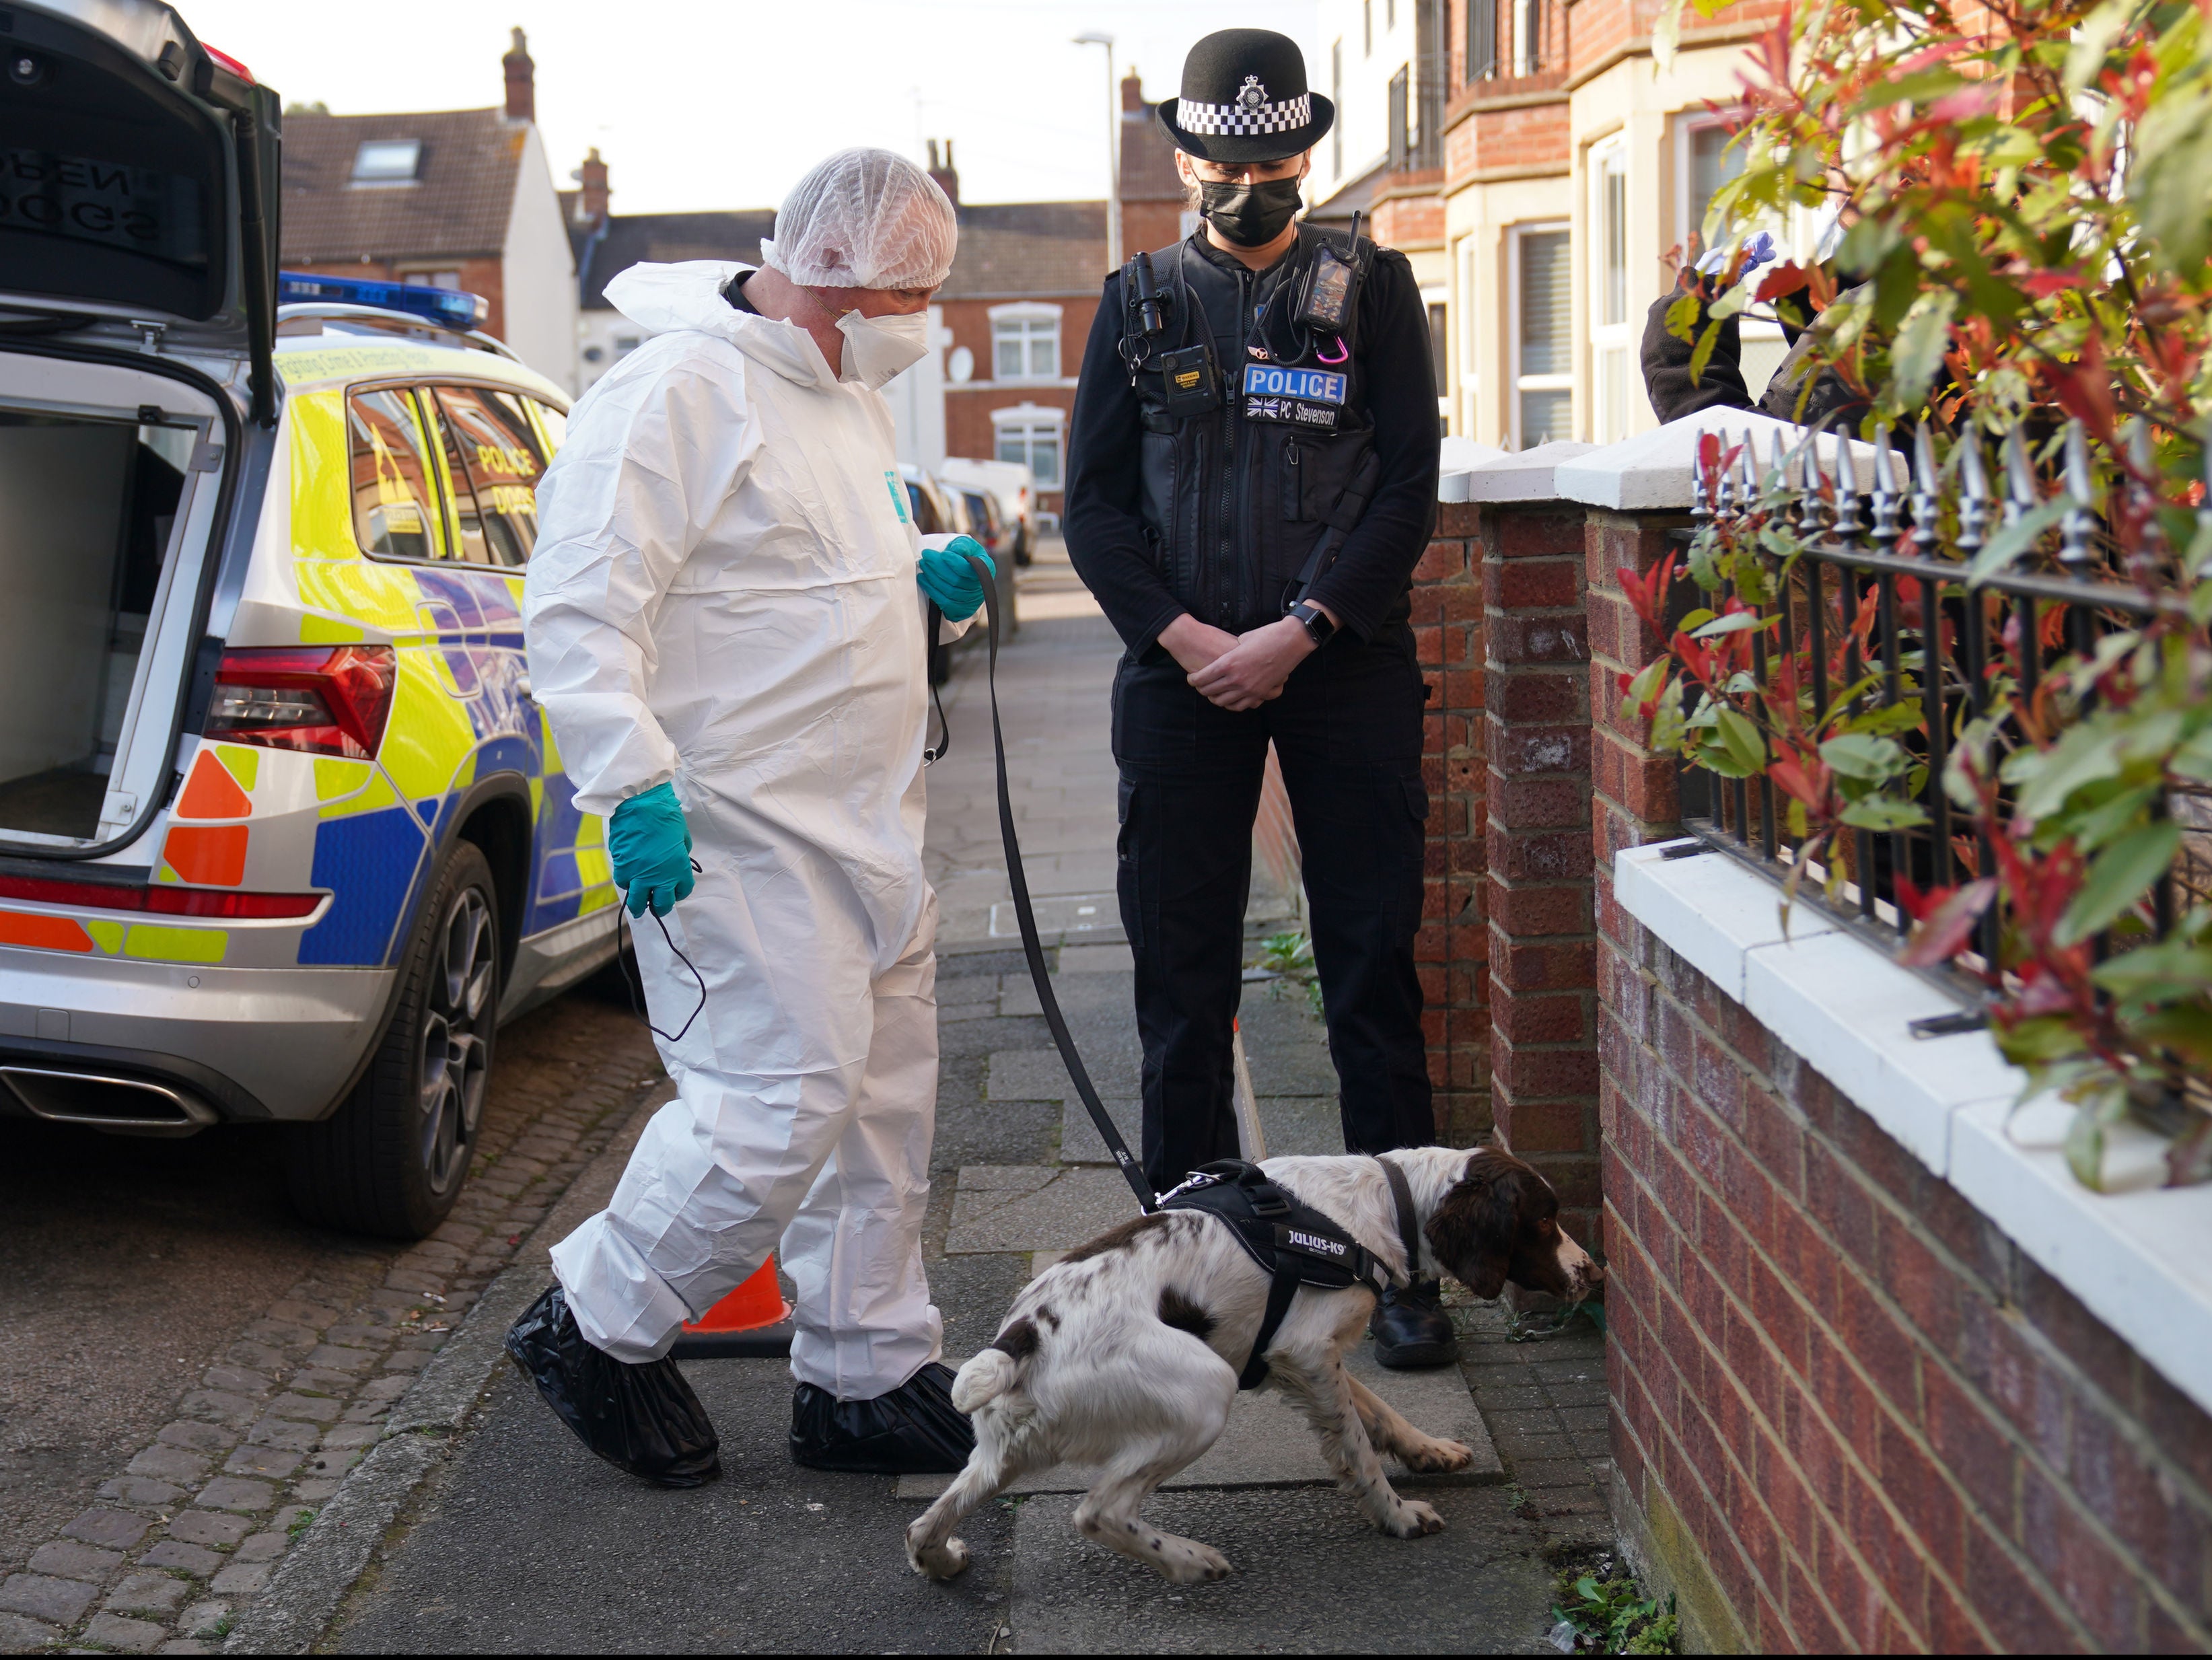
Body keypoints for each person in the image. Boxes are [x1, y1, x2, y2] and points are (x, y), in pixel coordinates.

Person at [507, 147, 995, 1480]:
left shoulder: (842, 395)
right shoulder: (673, 390)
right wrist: (629, 785)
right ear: (832, 274)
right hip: (731, 829)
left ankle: (865, 1369)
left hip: (865, 824)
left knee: (882, 1105)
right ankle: (594, 1325)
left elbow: (810, 555)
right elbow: (581, 601)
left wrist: (916, 571)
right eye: (913, 292)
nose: (922, 320)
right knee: (777, 1101)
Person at [1063, 29, 1454, 1368]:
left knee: (1368, 968)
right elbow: (1096, 508)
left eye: (1274, 154)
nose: (1251, 178)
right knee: (1181, 985)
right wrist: (1185, 639)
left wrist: (1297, 631)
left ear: (1309, 151)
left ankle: (1400, 1264)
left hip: (1340, 669)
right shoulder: (1138, 301)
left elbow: (1407, 480)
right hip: (1178, 685)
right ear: (1187, 155)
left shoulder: (1374, 289)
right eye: (1227, 157)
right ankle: (1188, 1265)